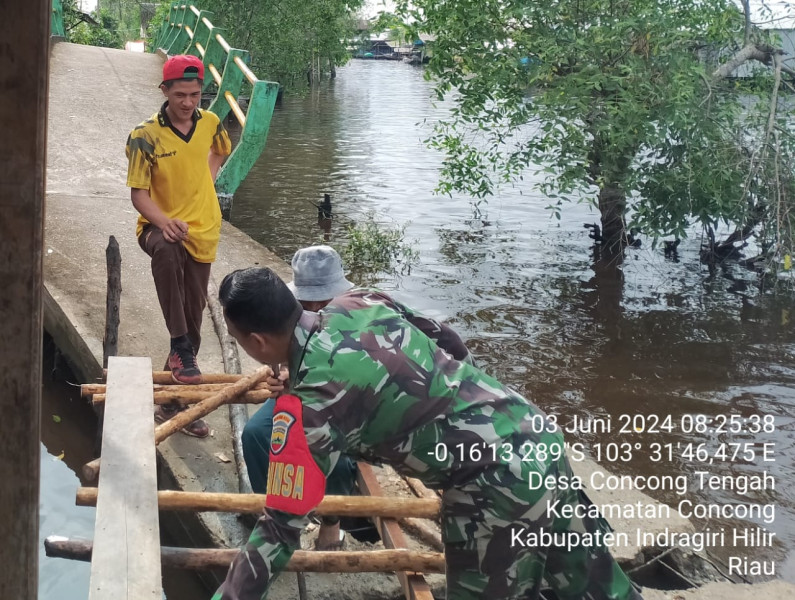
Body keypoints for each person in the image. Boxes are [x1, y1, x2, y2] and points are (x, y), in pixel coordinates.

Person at [213, 267, 643, 600]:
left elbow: (279, 528)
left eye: (237, 338)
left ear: (257, 342)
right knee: (592, 582)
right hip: (532, 432)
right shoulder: (361, 300)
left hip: (492, 486)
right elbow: (449, 341)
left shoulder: (310, 409)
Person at [241, 245, 474, 550]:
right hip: (307, 392)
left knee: (330, 449)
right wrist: (286, 376)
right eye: (307, 303)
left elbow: (446, 340)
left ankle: (332, 521)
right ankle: (276, 514)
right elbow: (288, 357)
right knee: (256, 433)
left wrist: (465, 382)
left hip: (356, 403)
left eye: (321, 301)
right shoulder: (292, 315)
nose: (315, 308)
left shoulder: (367, 307)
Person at [126, 54, 232, 438]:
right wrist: (163, 221)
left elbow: (221, 150)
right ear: (164, 91)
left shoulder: (211, 123)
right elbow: (139, 195)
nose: (188, 102)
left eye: (195, 94)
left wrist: (205, 179)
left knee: (193, 317)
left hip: (203, 228)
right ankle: (177, 344)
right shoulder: (145, 136)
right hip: (157, 226)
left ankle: (172, 402)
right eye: (180, 95)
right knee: (167, 250)